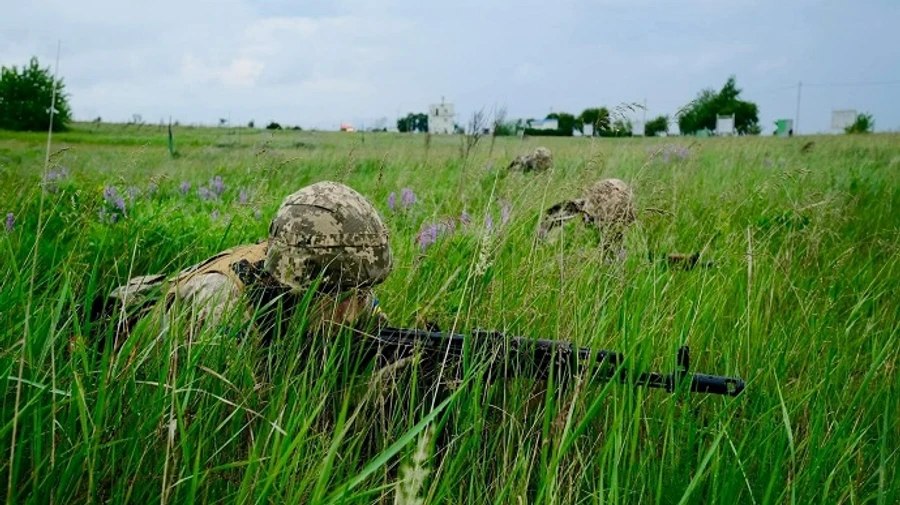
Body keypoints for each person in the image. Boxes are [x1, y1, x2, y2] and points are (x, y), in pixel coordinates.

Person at [96, 180, 393, 348]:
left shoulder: (341, 280)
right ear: (302, 281)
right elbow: (222, 404)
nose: (355, 306)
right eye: (341, 294)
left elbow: (377, 334)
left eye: (361, 291)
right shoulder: (225, 301)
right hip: (119, 326)